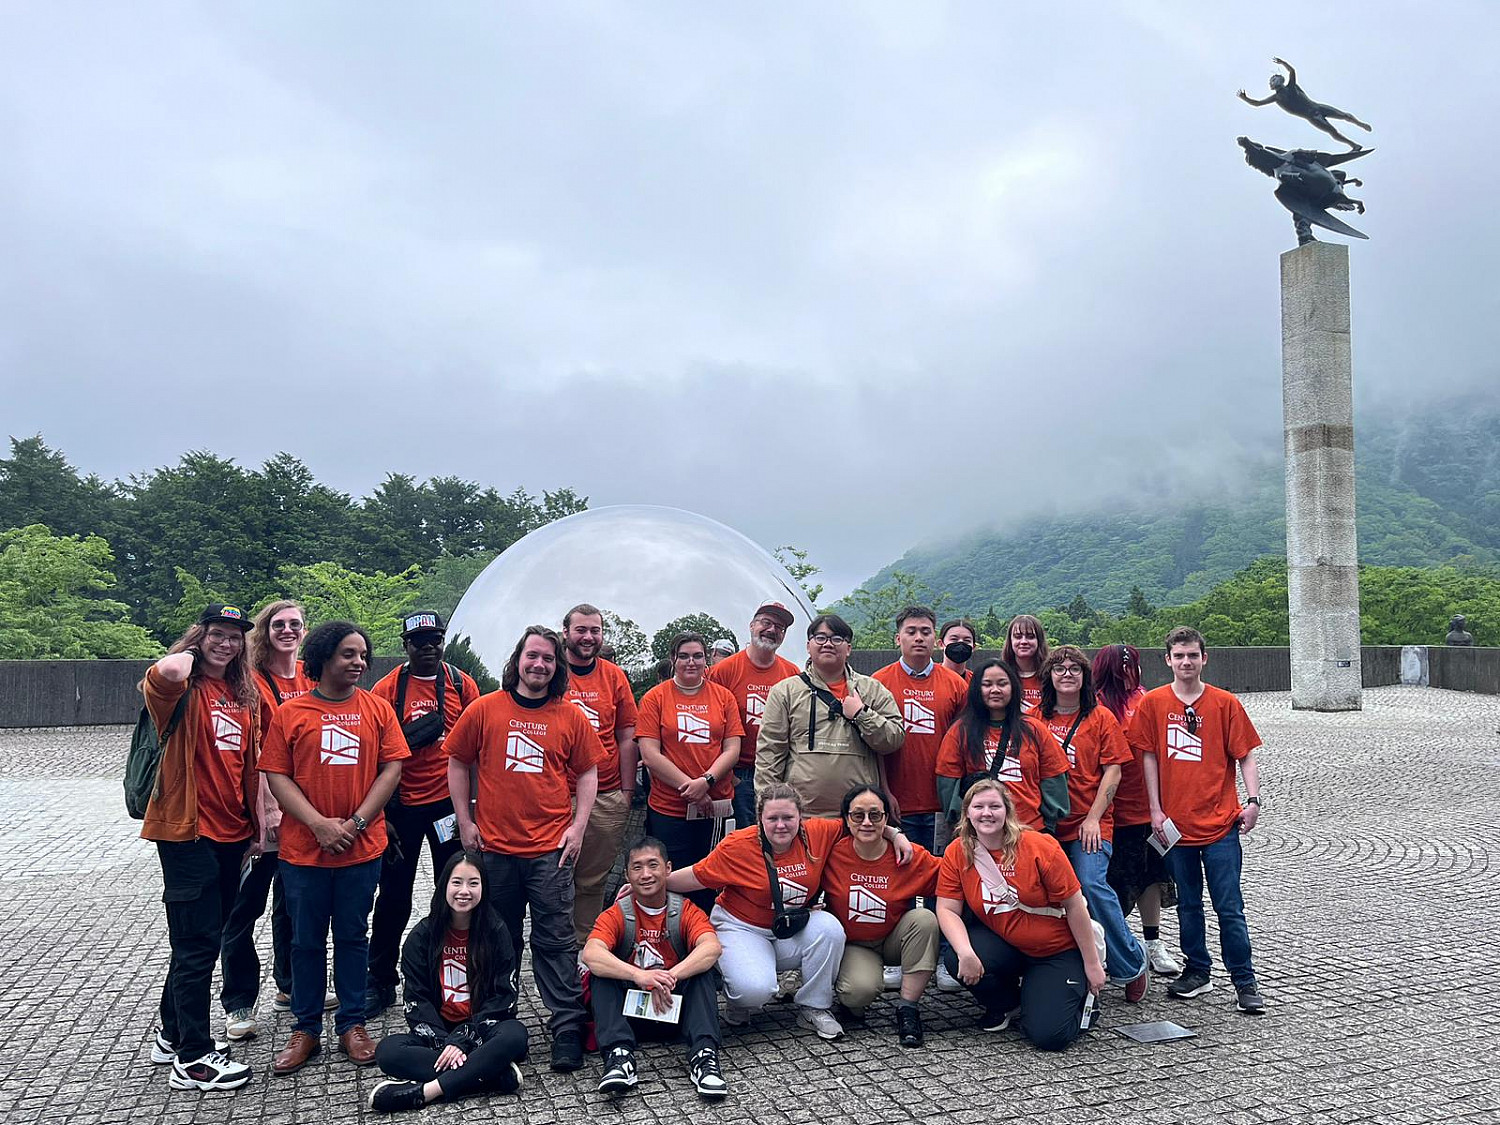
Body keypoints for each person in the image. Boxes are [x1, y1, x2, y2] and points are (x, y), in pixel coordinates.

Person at [446, 625, 605, 1071]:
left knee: (556, 939)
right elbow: (457, 762)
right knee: (498, 937)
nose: (539, 665)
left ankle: (567, 1026)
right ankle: (497, 1018)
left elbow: (589, 772)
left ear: (557, 667)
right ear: (518, 659)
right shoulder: (484, 709)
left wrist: (578, 826)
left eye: (548, 659)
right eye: (532, 656)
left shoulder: (569, 716)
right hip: (494, 848)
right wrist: (465, 820)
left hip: (550, 851)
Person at [260, 621, 408, 1075]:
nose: (358, 662)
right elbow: (276, 775)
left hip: (361, 850)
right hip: (304, 852)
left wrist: (357, 821)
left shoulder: (377, 710)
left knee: (352, 936)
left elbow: (391, 769)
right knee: (304, 941)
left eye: (362, 654)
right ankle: (305, 1029)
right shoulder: (292, 712)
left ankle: (352, 1023)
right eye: (348, 654)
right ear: (324, 657)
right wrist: (319, 824)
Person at [668, 783, 911, 1040]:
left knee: (829, 927)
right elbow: (696, 876)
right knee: (754, 991)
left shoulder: (818, 833)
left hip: (789, 926)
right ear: (760, 818)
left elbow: (861, 824)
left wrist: (896, 835)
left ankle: (814, 1007)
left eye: (788, 818)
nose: (781, 825)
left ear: (800, 817)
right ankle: (739, 1001)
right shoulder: (738, 845)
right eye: (772, 818)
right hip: (741, 927)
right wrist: (649, 887)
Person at [141, 603, 261, 1091]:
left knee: (205, 940)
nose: (226, 644)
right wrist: (193, 651)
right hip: (187, 833)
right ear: (200, 636)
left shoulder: (242, 694)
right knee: (194, 946)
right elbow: (167, 668)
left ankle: (173, 1035)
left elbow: (250, 764)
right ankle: (192, 1058)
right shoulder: (180, 689)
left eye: (235, 638)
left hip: (232, 834)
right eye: (217, 634)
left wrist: (256, 827)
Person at [1134, 626, 1266, 1014]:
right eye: (1179, 656)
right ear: (1167, 661)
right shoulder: (1153, 704)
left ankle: (1244, 979)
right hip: (1177, 826)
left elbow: (1246, 755)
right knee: (1189, 904)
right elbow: (1148, 758)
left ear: (1204, 658)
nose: (1186, 662)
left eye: (1193, 655)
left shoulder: (1225, 703)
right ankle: (1197, 971)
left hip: (1221, 824)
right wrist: (1155, 810)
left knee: (1229, 906)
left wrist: (1253, 800)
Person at [365, 611, 482, 1015]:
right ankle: (379, 980)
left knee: (455, 892)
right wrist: (382, 815)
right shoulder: (385, 689)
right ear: (406, 645)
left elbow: (478, 746)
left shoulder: (460, 684)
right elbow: (372, 755)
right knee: (393, 896)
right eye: (419, 641)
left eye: (435, 639)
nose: (428, 647)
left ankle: (452, 975)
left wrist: (473, 809)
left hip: (447, 805)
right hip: (401, 809)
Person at [937, 781, 1105, 1051]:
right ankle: (1009, 1004)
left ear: (1007, 811)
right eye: (978, 807)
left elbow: (1075, 907)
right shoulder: (958, 851)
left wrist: (1093, 965)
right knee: (956, 955)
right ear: (967, 812)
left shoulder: (1040, 847)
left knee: (1049, 1037)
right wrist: (965, 952)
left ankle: (1077, 999)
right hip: (1009, 945)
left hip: (1055, 949)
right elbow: (946, 908)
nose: (986, 813)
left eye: (994, 806)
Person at [218, 598, 314, 1046]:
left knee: (292, 906)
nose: (288, 631)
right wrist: (260, 814)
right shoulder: (251, 682)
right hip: (262, 817)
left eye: (296, 624)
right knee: (242, 909)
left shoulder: (312, 678)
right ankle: (239, 1000)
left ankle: (290, 985)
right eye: (279, 624)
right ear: (265, 631)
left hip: (303, 816)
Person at [368, 851, 528, 1113]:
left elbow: (504, 998)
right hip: (439, 1031)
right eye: (457, 882)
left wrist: (464, 1039)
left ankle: (426, 1092)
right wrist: (448, 1043)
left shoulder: (497, 931)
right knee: (388, 1051)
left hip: (484, 1030)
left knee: (515, 1035)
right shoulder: (422, 937)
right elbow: (416, 1001)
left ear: (483, 888)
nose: (464, 891)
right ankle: (491, 1073)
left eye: (473, 883)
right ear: (444, 886)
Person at [1037, 645, 1148, 1002]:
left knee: (1091, 885)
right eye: (1059, 668)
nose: (1066, 674)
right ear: (1049, 676)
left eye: (1074, 669)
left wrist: (1094, 818)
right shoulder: (1035, 718)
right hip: (1047, 825)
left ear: (1085, 677)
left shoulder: (1100, 717)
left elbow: (1113, 770)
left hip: (1091, 822)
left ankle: (1130, 962)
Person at [582, 837, 727, 1101]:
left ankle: (704, 1057)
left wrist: (669, 977)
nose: (646, 874)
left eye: (653, 865)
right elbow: (591, 953)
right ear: (627, 874)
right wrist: (640, 976)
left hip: (675, 1008)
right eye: (637, 868)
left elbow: (711, 947)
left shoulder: (684, 910)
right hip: (630, 1014)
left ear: (668, 869)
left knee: (702, 971)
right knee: (601, 974)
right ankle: (619, 1058)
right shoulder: (617, 913)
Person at [820, 786, 940, 1046]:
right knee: (856, 994)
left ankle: (908, 1009)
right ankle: (851, 1001)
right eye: (858, 815)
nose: (866, 822)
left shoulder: (907, 853)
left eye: (875, 815)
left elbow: (950, 876)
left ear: (886, 818)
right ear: (846, 819)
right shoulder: (832, 853)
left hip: (894, 939)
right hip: (854, 944)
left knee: (924, 919)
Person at [755, 613, 905, 818]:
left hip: (860, 816)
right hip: (802, 814)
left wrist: (862, 714)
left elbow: (894, 738)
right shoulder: (785, 691)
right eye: (820, 637)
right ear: (808, 646)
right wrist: (769, 809)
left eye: (836, 638)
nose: (828, 644)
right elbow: (769, 754)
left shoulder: (871, 689)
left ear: (849, 648)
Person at [636, 632, 743, 911]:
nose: (691, 662)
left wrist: (706, 782)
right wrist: (691, 788)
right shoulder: (654, 698)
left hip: (714, 806)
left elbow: (732, 749)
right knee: (668, 875)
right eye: (684, 656)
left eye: (697, 656)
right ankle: (670, 934)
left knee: (709, 874)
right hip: (669, 807)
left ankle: (705, 936)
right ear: (673, 659)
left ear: (706, 660)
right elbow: (649, 754)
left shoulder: (723, 697)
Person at [1092, 643, 1181, 976]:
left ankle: (1153, 941)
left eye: (1133, 666)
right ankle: (1115, 941)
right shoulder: (1096, 704)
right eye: (1123, 667)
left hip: (1150, 807)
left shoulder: (1146, 699)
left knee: (1153, 877)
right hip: (1111, 809)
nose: (1130, 672)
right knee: (1111, 881)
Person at [560, 603, 640, 946]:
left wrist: (625, 792)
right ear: (565, 633)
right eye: (581, 630)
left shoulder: (613, 675)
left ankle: (583, 943)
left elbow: (626, 735)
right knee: (553, 873)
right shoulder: (551, 670)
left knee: (593, 877)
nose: (588, 637)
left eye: (595, 630)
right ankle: (553, 939)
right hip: (556, 793)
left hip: (606, 793)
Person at [872, 605, 967, 854]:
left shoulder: (956, 685)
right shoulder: (878, 682)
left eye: (925, 632)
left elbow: (965, 745)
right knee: (902, 879)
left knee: (939, 878)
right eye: (911, 631)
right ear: (898, 638)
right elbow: (872, 746)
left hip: (941, 804)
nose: (918, 638)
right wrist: (884, 791)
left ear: (936, 640)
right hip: (896, 802)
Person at [936, 659, 1069, 834]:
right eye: (987, 684)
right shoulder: (960, 731)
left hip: (1029, 829)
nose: (995, 690)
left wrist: (1048, 825)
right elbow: (948, 783)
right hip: (981, 833)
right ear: (977, 689)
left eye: (1002, 683)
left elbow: (1053, 777)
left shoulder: (1034, 728)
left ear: (1013, 687)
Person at [707, 601, 799, 830]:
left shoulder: (792, 673)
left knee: (776, 839)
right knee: (741, 841)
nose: (772, 629)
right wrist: (728, 776)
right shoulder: (724, 670)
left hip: (779, 771)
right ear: (751, 625)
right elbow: (712, 726)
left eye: (779, 627)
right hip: (738, 773)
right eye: (766, 622)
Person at [1238, 57, 1372, 150]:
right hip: (1312, 116)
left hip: (1318, 107)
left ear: (1280, 80)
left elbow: (1292, 71)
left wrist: (1283, 62)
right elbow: (1257, 103)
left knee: (1344, 115)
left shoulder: (1291, 86)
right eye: (1272, 80)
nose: (1273, 81)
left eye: (1275, 78)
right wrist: (1245, 98)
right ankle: (1353, 145)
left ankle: (1360, 124)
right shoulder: (1277, 97)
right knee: (1333, 131)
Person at [1001, 615, 1049, 713]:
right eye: (1018, 637)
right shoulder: (1001, 675)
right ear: (1010, 641)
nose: (1023, 641)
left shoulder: (1052, 676)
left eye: (1030, 637)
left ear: (1039, 641)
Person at [938, 618, 979, 683]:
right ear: (941, 644)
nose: (960, 643)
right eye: (954, 639)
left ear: (973, 647)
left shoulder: (976, 682)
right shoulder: (929, 677)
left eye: (967, 640)